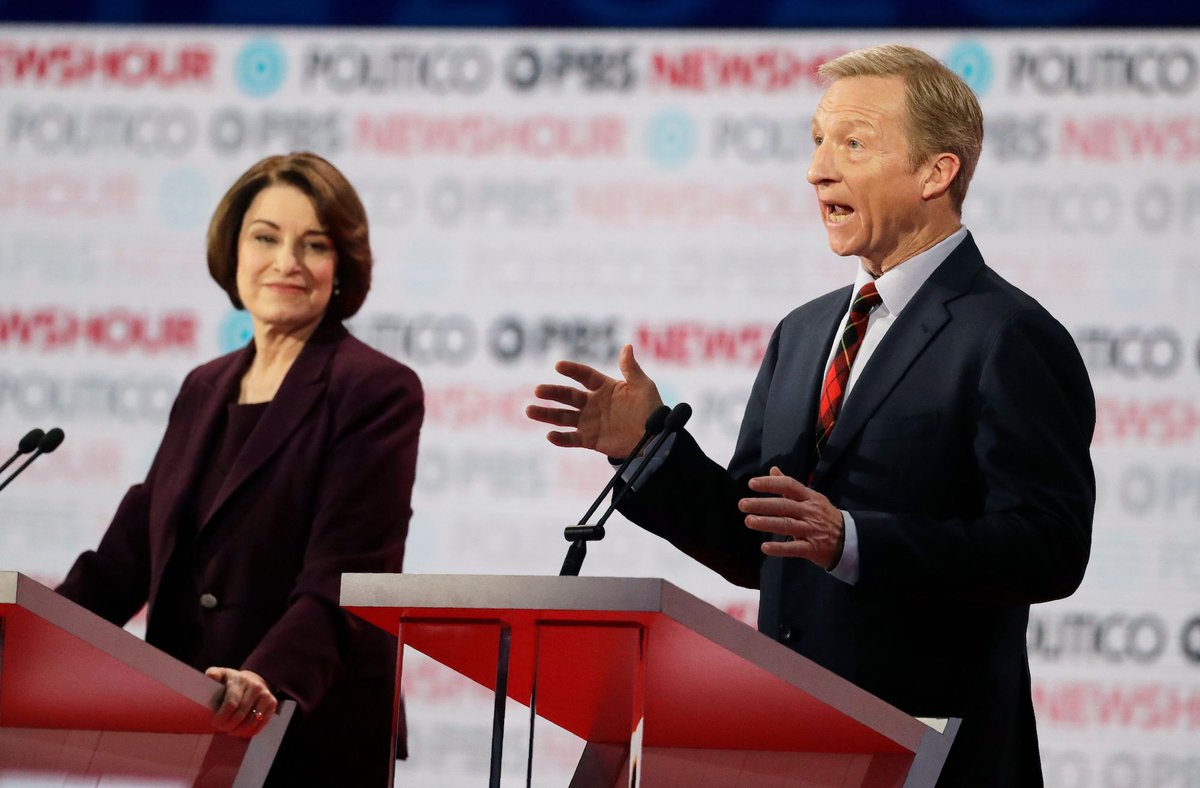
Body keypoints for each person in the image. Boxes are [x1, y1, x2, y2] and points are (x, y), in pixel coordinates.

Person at [527, 45, 1094, 786]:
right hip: (792, 747)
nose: (817, 169)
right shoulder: (804, 332)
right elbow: (753, 542)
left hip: (938, 755)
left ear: (937, 171)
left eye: (852, 144)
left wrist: (854, 541)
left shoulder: (1006, 335)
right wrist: (646, 449)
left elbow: (1048, 548)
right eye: (818, 142)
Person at [57, 152, 423, 785]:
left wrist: (267, 678)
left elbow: (349, 576)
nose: (287, 261)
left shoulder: (375, 389)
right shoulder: (204, 387)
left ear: (341, 270)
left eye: (314, 244)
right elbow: (126, 560)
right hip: (188, 719)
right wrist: (30, 635)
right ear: (232, 251)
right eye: (266, 237)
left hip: (310, 728)